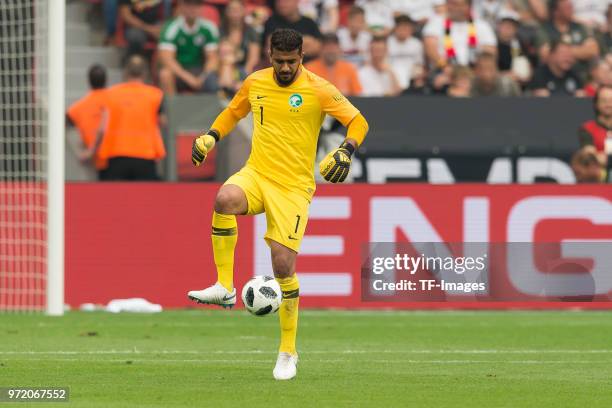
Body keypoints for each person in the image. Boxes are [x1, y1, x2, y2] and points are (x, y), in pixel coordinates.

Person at [186, 28, 369, 381]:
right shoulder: (256, 82)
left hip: (293, 187)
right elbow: (233, 112)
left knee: (283, 266)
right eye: (279, 61)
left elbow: (358, 121)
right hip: (257, 173)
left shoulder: (319, 88)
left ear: (301, 57)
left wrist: (346, 149)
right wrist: (210, 136)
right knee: (224, 198)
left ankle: (288, 351)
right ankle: (225, 287)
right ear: (270, 56)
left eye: (292, 62)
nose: (285, 68)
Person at [92, 55, 166, 180]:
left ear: (125, 72)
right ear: (145, 73)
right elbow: (163, 122)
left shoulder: (110, 94)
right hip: (146, 155)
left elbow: (102, 129)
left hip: (116, 155)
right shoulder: (156, 95)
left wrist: (92, 151)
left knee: (116, 198)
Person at [158, 0, 220, 96]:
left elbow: (212, 58)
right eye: (188, 5)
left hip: (200, 70)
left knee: (214, 74)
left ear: (201, 8)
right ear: (181, 7)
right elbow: (167, 59)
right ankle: (173, 109)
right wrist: (189, 78)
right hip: (179, 71)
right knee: (165, 74)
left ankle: (214, 109)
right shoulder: (171, 27)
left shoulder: (209, 27)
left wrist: (203, 77)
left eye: (196, 5)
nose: (192, 9)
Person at [423, 0, 498, 68]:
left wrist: (477, 69)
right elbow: (430, 49)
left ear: (468, 7)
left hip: (475, 71)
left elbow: (490, 51)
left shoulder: (481, 25)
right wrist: (445, 67)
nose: (454, 8)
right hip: (443, 69)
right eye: (451, 4)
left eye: (458, 5)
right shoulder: (436, 22)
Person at [537, 0, 599, 81]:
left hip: (580, 77)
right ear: (556, 11)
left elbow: (593, 50)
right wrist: (581, 50)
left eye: (571, 7)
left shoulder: (579, 27)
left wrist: (561, 52)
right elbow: (545, 54)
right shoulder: (545, 29)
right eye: (567, 8)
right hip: (552, 78)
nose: (572, 10)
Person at [66, 65, 109, 180]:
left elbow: (63, 125)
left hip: (94, 161)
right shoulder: (115, 100)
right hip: (116, 158)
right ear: (106, 80)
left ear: (88, 81)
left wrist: (79, 149)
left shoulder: (79, 107)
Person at [220, 0, 261, 74]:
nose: (235, 13)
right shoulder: (220, 31)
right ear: (226, 12)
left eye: (238, 10)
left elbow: (254, 59)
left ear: (244, 11)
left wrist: (243, 75)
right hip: (223, 69)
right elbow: (217, 57)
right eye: (232, 10)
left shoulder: (252, 32)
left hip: (245, 70)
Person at [578, 85, 612, 170]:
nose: (608, 104)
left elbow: (601, 158)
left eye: (611, 100)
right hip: (598, 179)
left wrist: (605, 158)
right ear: (596, 103)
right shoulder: (587, 128)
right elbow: (591, 157)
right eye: (604, 100)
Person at [387, 14, 425, 91]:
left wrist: (418, 76)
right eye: (401, 28)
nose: (403, 31)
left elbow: (419, 64)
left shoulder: (416, 43)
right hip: (391, 75)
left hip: (411, 76)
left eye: (406, 28)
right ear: (395, 28)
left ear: (411, 29)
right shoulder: (387, 42)